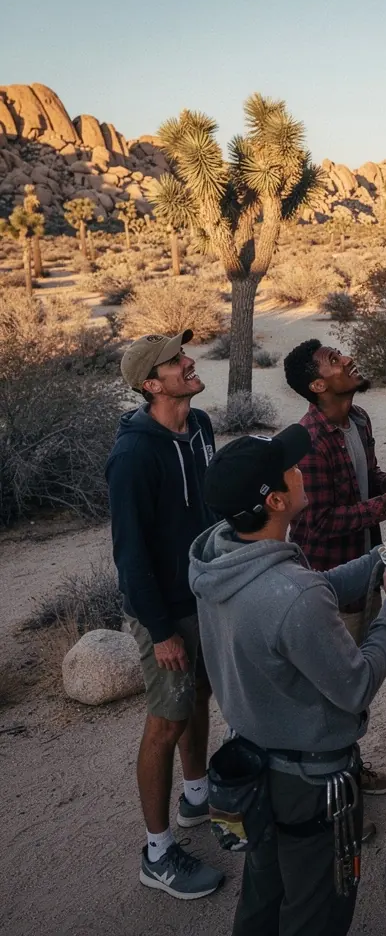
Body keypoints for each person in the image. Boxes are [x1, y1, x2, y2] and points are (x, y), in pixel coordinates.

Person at [189, 424, 386, 936]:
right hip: (309, 781)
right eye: (292, 467)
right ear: (278, 499)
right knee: (318, 909)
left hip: (257, 762)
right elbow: (355, 685)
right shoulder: (289, 593)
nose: (302, 467)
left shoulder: (224, 557)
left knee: (265, 890)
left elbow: (317, 589)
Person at [282, 338, 386, 801]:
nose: (347, 358)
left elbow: (364, 483)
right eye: (333, 360)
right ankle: (326, 794)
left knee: (347, 690)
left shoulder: (358, 420)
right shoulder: (308, 441)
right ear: (318, 384)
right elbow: (319, 523)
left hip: (365, 566)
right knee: (329, 692)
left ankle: (348, 773)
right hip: (329, 581)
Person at [106, 330, 223, 900]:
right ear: (152, 384)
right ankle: (156, 852)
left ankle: (197, 796)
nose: (189, 362)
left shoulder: (199, 427)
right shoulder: (132, 455)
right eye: (177, 362)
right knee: (165, 721)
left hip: (205, 594)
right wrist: (159, 633)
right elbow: (129, 555)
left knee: (199, 696)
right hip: (165, 611)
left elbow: (211, 505)